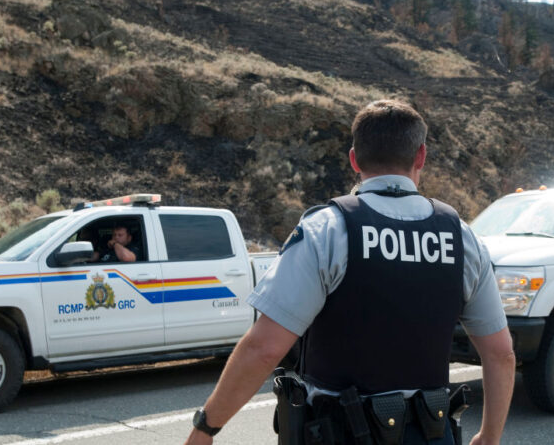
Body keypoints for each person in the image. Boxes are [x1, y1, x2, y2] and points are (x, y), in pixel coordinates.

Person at [184, 100, 515, 445]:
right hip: (431, 432)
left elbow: (264, 348)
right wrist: (489, 437)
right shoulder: (461, 237)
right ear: (421, 157)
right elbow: (501, 352)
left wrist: (205, 428)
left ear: (354, 158)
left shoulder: (327, 230)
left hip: (339, 433)